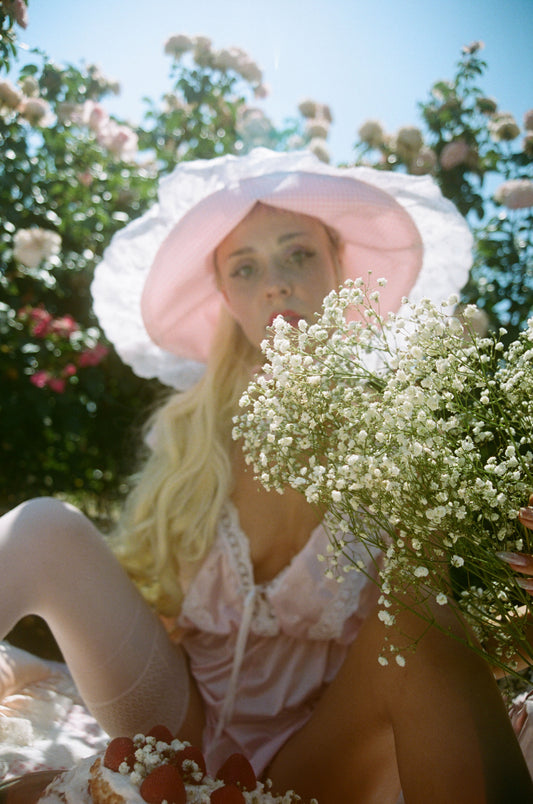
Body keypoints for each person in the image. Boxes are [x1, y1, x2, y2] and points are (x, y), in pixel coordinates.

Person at [1, 148, 532, 803]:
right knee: (45, 525)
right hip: (176, 729)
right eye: (244, 267)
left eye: (298, 254)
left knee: (417, 609)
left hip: (321, 759)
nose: (276, 283)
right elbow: (154, 601)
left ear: (341, 265)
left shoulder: (409, 425)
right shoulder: (191, 433)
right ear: (225, 295)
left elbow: (448, 654)